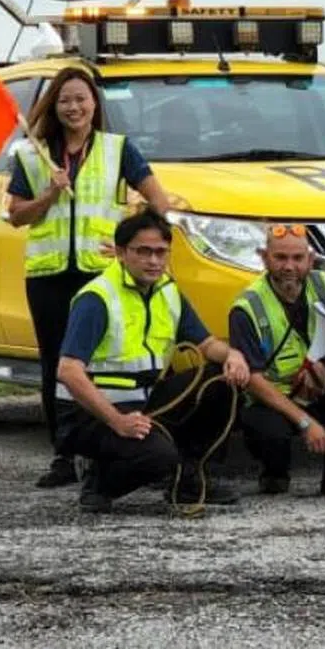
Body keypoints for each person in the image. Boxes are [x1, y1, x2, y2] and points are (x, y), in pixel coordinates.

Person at [6, 67, 171, 489]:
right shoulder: (32, 153)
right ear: (54, 107)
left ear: (94, 104)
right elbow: (16, 214)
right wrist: (50, 193)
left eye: (81, 98)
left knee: (99, 363)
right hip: (49, 275)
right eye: (65, 100)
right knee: (54, 365)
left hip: (101, 277)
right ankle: (62, 453)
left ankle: (102, 445)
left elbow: (159, 200)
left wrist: (127, 238)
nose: (73, 107)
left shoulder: (117, 149)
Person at [55, 209, 251, 513]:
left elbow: (208, 345)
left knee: (221, 382)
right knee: (159, 457)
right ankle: (100, 482)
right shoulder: (97, 298)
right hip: (91, 414)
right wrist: (117, 421)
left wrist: (234, 356)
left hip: (146, 403)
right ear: (121, 253)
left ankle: (188, 480)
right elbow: (68, 371)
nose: (153, 261)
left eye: (161, 252)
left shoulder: (168, 292)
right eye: (143, 251)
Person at [229, 223, 325, 500]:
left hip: (319, 389)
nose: (289, 267)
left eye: (298, 258)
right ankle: (275, 471)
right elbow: (253, 380)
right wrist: (305, 423)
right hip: (274, 399)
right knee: (268, 434)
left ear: (310, 259)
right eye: (280, 258)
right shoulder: (247, 307)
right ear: (264, 258)